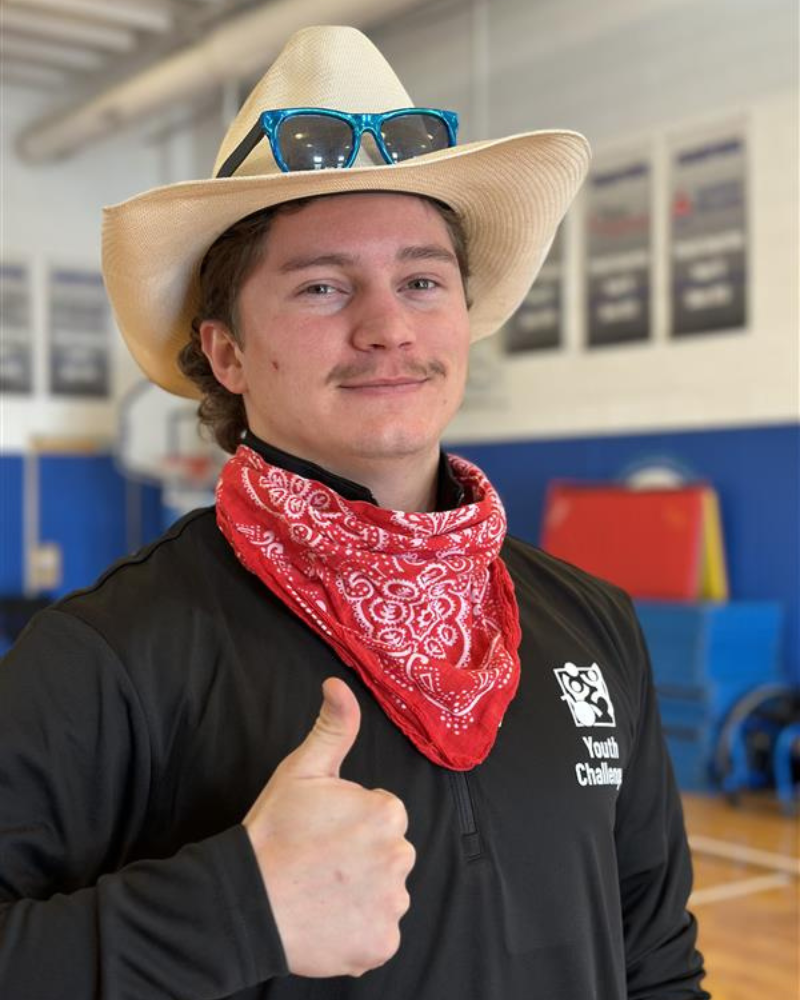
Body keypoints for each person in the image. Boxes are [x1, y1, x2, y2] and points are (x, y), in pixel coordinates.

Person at [0, 24, 709, 1000]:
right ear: (228, 353)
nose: (387, 326)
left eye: (422, 280)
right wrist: (233, 910)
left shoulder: (589, 622)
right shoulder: (109, 653)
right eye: (322, 286)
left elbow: (656, 955)